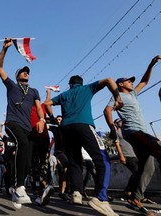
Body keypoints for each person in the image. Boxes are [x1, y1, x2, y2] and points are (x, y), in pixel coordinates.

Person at [45, 75, 122, 216]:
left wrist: (52, 118)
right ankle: (101, 198)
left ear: (70, 84)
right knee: (103, 160)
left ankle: (76, 193)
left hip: (66, 129)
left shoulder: (64, 95)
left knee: (74, 161)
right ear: (81, 83)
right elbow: (109, 80)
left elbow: (47, 103)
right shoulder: (87, 88)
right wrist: (117, 96)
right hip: (84, 125)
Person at [104, 55, 161, 214]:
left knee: (147, 166)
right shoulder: (118, 96)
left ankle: (136, 197)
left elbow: (144, 81)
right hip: (134, 132)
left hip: (141, 132)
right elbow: (107, 110)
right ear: (120, 84)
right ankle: (136, 197)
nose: (132, 83)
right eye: (129, 81)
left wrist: (151, 65)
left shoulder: (133, 94)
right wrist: (112, 129)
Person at [0, 37, 45, 205]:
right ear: (17, 75)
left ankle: (15, 188)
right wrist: (5, 49)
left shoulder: (34, 91)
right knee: (22, 143)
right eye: (23, 71)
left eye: (28, 71)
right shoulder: (11, 85)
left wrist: (42, 119)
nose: (26, 73)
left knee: (28, 162)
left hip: (27, 127)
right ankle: (19, 187)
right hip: (12, 122)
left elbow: (38, 108)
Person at [114, 118, 155, 204]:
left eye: (121, 121)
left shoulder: (127, 131)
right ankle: (129, 191)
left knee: (140, 173)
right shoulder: (116, 132)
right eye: (119, 122)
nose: (121, 122)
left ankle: (138, 195)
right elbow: (117, 144)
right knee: (137, 171)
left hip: (134, 155)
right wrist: (121, 156)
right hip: (126, 155)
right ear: (116, 124)